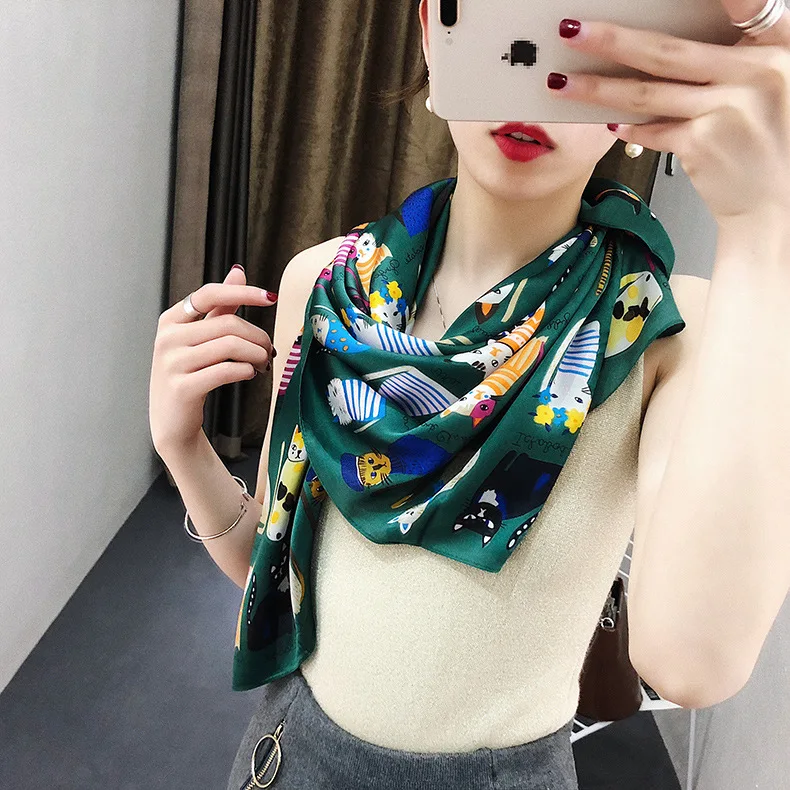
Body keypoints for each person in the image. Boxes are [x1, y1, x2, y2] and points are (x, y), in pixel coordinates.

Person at [149, 1, 790, 788]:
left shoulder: (664, 329)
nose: (534, 83)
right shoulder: (326, 286)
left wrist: (765, 226)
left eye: (583, 37)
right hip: (289, 754)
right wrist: (184, 448)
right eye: (506, 18)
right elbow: (272, 567)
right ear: (434, 33)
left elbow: (694, 663)